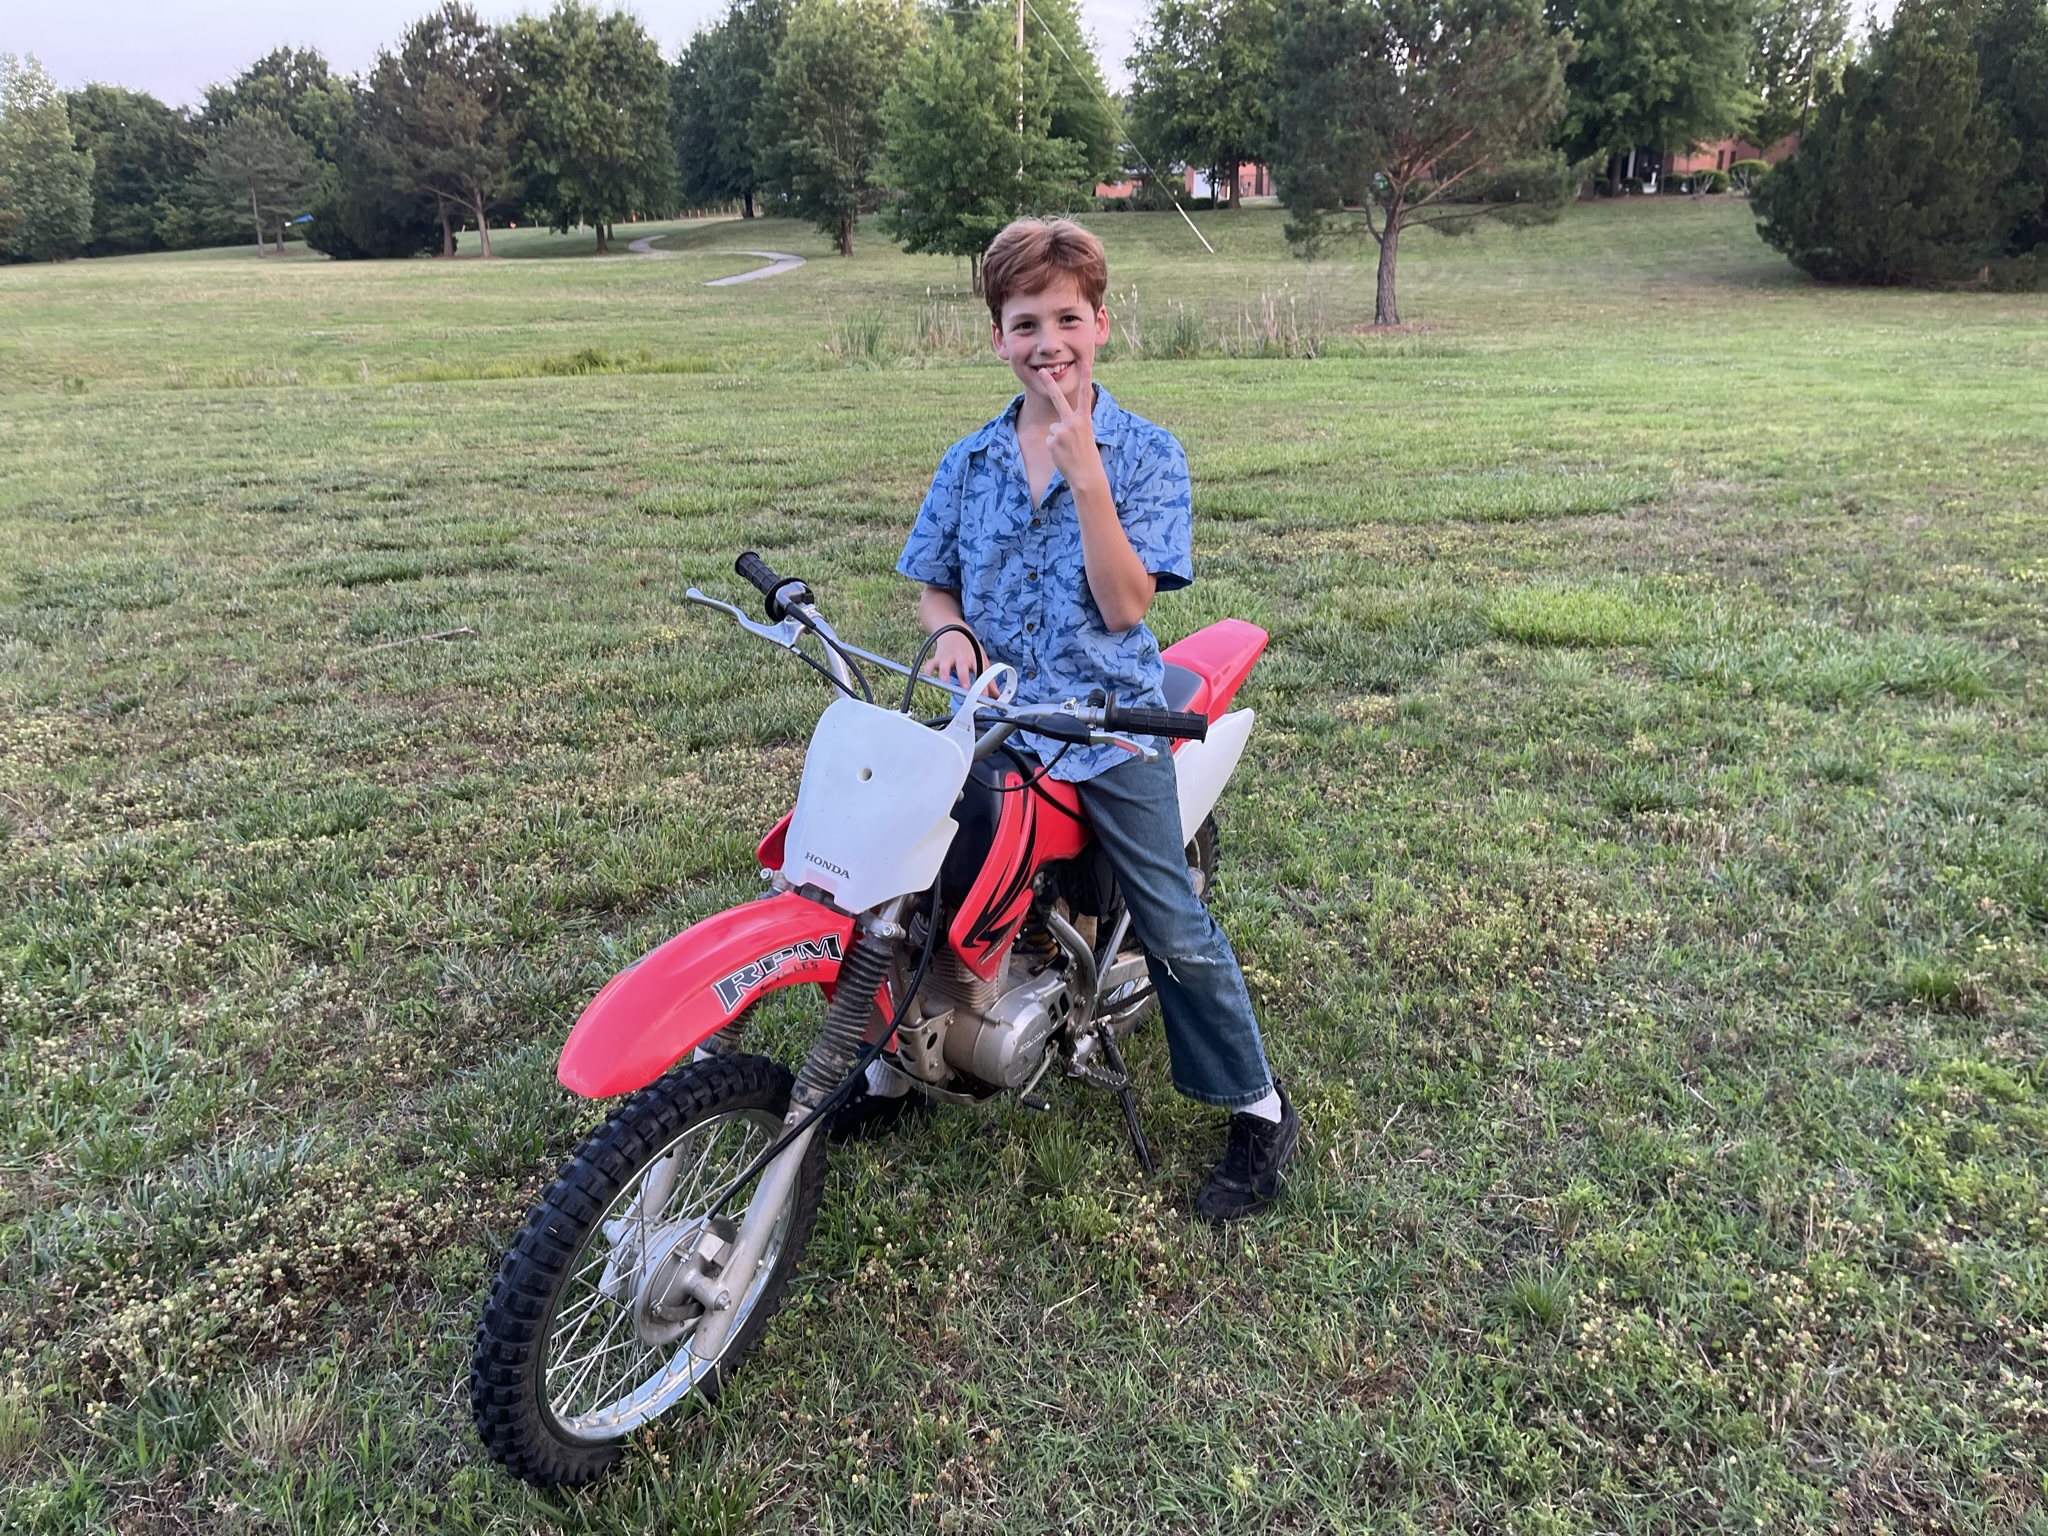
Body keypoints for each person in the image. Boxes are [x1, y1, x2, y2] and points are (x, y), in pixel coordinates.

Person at [884, 216, 1298, 1221]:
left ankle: (1258, 1107)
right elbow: (935, 585)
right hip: (986, 720)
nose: (1046, 342)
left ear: (1100, 324)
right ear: (996, 336)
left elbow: (1125, 608)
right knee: (903, 892)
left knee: (1171, 921)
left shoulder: (1147, 455)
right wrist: (947, 636)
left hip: (1104, 725)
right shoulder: (969, 461)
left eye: (1066, 316)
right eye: (1024, 321)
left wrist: (1085, 477)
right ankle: (893, 1066)